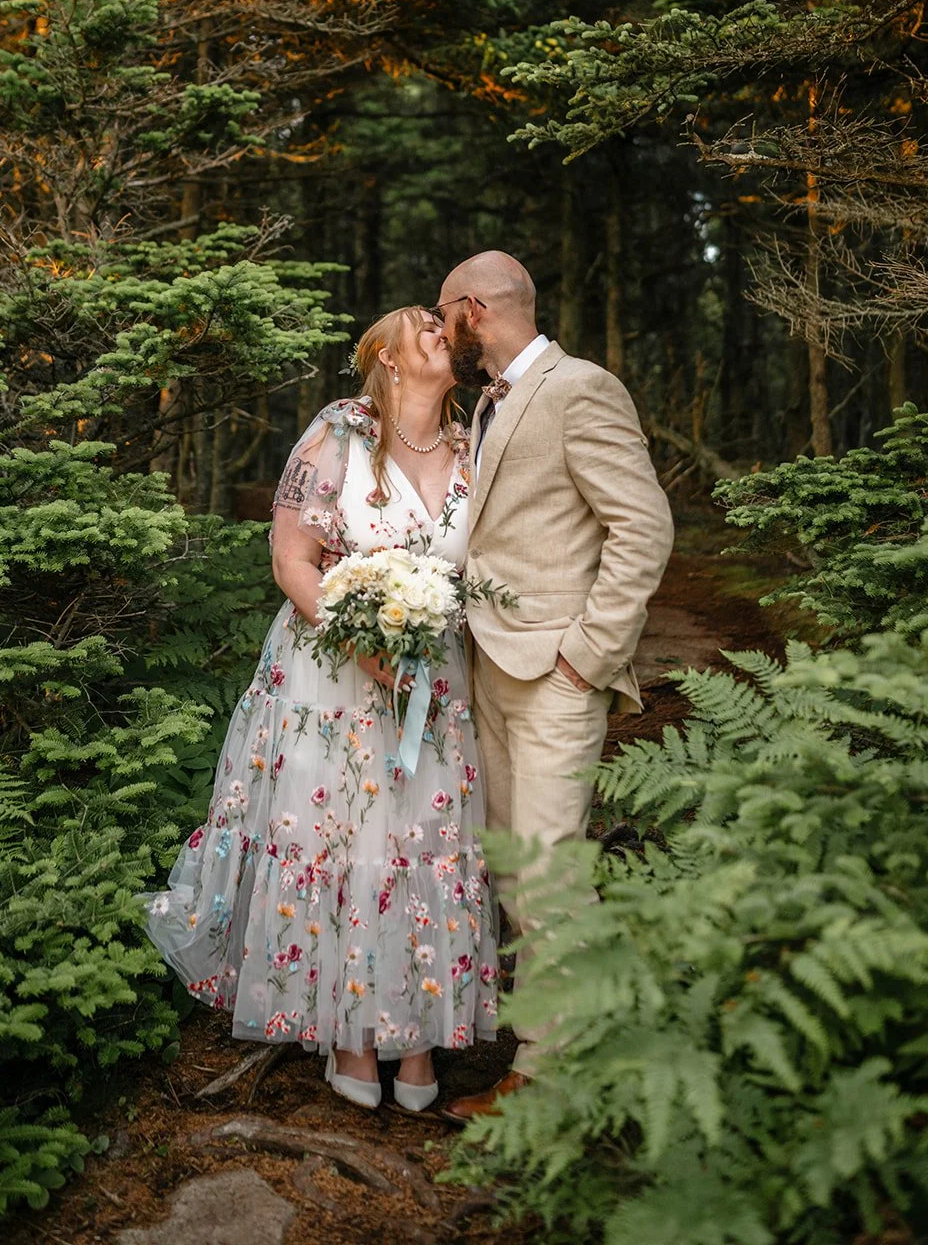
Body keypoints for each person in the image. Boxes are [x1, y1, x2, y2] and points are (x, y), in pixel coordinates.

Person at [143, 307, 498, 1113]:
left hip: (433, 680)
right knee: (343, 841)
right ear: (386, 356)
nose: (443, 329)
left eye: (446, 323)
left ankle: (413, 1039)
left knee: (423, 838)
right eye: (424, 325)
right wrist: (362, 641)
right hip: (332, 672)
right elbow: (291, 557)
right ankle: (348, 1034)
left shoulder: (476, 443)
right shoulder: (340, 435)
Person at [430, 251, 673, 1120]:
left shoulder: (579, 389)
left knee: (548, 873)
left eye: (443, 314)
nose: (441, 330)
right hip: (488, 667)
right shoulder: (489, 404)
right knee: (509, 867)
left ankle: (549, 1081)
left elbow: (642, 527)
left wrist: (588, 653)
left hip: (556, 675)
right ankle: (547, 1040)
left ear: (473, 310)